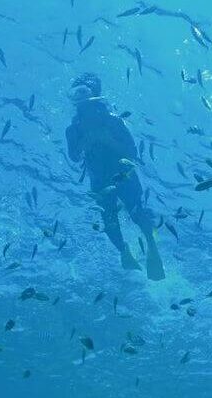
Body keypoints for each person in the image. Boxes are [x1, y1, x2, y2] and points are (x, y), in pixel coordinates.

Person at [65, 73, 165, 280]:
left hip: (124, 174)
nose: (85, 109)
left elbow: (132, 154)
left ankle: (152, 246)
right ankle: (124, 251)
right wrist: (86, 142)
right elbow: (74, 157)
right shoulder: (73, 129)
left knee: (138, 212)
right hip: (98, 180)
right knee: (109, 219)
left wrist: (106, 139)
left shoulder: (115, 122)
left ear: (95, 99)